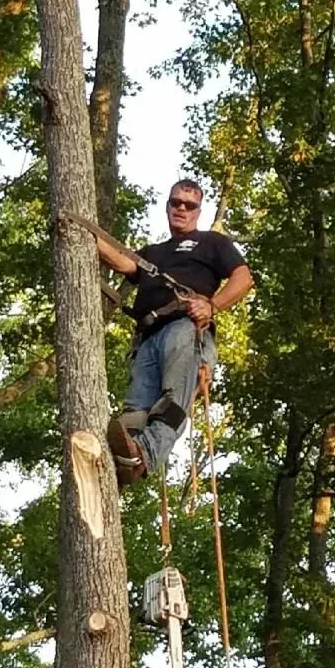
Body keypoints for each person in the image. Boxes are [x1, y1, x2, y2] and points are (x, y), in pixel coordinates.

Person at [97, 178, 254, 487]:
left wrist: (212, 306)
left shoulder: (212, 243)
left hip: (185, 329)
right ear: (167, 206)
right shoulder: (153, 253)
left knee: (172, 401)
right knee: (135, 412)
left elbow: (243, 277)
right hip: (148, 338)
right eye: (176, 203)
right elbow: (122, 262)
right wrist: (81, 230)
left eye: (189, 205)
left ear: (198, 211)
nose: (181, 208)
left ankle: (146, 455)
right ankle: (125, 462)